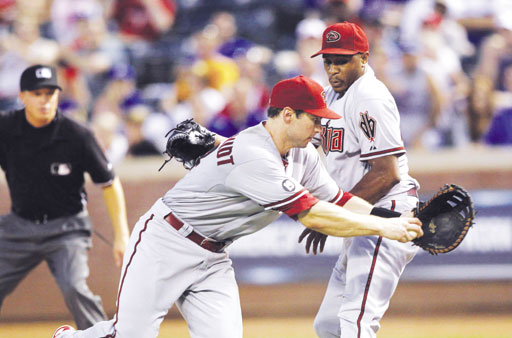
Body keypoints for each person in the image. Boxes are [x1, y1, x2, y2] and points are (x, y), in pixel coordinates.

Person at [51, 75, 423, 338]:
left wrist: (392, 217)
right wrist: (384, 229)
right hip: (165, 243)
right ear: (288, 115)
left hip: (212, 256)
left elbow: (339, 199)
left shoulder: (303, 153)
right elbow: (312, 214)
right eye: (315, 119)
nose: (321, 128)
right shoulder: (252, 154)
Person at [302, 22, 421, 338]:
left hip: (385, 213)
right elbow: (299, 145)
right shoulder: (330, 95)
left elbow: (386, 173)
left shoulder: (368, 95)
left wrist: (333, 215)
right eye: (327, 60)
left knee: (356, 323)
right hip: (360, 215)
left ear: (364, 58)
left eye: (341, 60)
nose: (332, 68)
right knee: (328, 325)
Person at [0, 65, 130, 329]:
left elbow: (109, 183)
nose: (44, 100)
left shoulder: (77, 135)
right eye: (37, 93)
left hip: (67, 229)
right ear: (22, 96)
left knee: (74, 287)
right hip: (19, 225)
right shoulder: (5, 128)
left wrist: (121, 235)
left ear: (58, 96)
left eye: (50, 93)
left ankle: (99, 335)